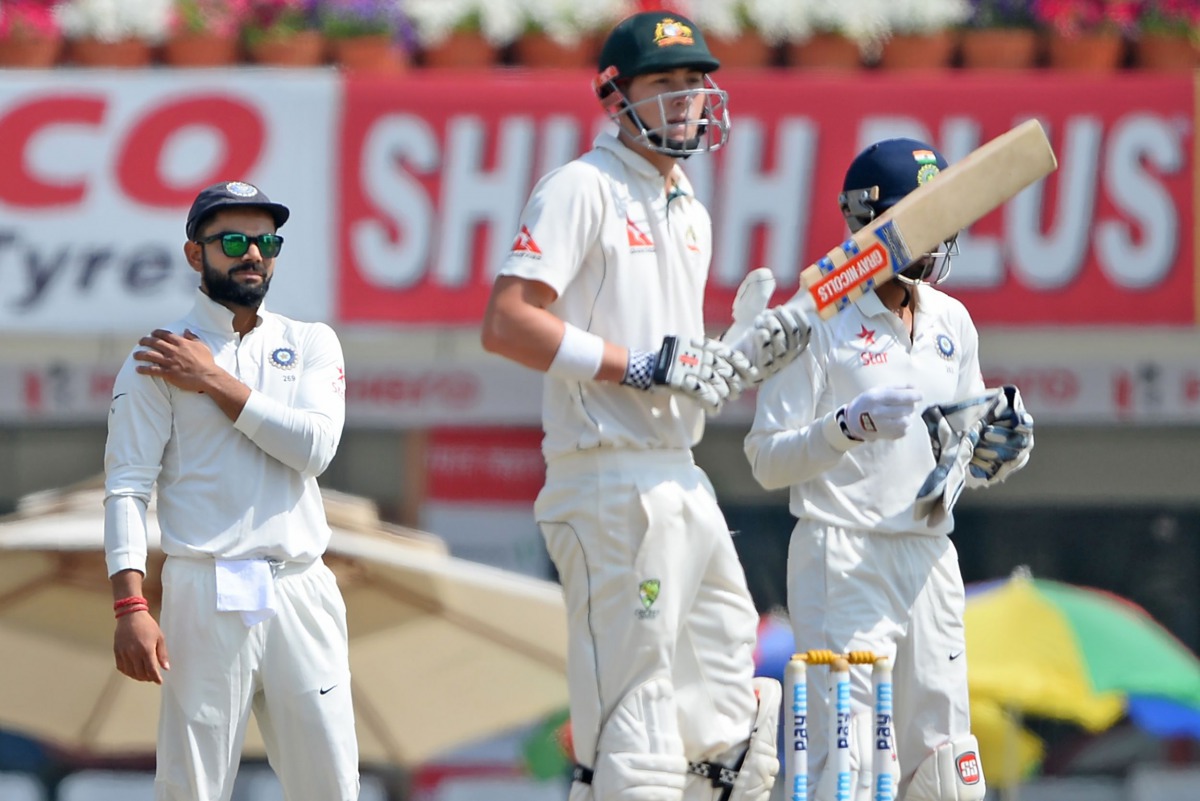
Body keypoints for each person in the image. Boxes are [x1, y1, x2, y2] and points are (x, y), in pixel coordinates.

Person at [480, 10, 807, 801]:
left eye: (697, 82)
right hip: (605, 483)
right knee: (636, 725)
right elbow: (507, 323)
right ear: (613, 95)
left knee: (733, 720)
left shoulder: (687, 206)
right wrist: (644, 365)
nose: (688, 99)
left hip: (681, 474)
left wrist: (733, 353)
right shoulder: (580, 188)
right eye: (665, 84)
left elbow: (678, 368)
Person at [744, 139, 1035, 801]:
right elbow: (765, 458)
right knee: (849, 764)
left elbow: (957, 450)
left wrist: (995, 451)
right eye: (922, 215)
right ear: (871, 221)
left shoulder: (952, 321)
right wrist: (846, 427)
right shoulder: (817, 315)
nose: (940, 232)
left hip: (929, 553)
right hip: (842, 554)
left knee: (947, 763)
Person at [103, 181, 358, 801]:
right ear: (197, 255)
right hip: (205, 586)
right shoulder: (157, 357)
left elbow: (315, 450)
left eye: (267, 241)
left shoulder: (312, 341)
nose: (254, 255)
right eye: (235, 241)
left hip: (300, 584)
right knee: (191, 788)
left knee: (332, 786)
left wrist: (214, 380)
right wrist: (131, 606)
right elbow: (127, 488)